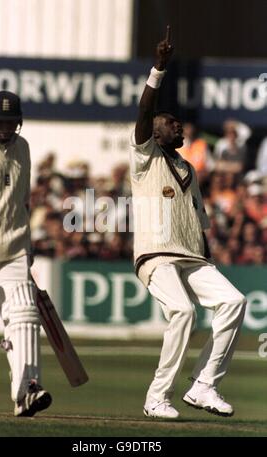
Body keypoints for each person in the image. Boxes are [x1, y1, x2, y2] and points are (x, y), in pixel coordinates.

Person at [129, 28, 246, 419]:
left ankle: (203, 385)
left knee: (233, 301)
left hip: (192, 255)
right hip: (156, 254)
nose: (177, 126)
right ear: (155, 133)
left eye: (179, 123)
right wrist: (158, 70)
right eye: (170, 123)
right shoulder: (145, 158)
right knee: (182, 312)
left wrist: (208, 259)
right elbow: (145, 112)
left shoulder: (189, 168)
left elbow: (199, 222)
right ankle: (155, 397)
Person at [0, 91, 52, 416]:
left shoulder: (24, 149)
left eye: (10, 121)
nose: (4, 127)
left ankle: (26, 391)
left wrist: (27, 247)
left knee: (24, 314)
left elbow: (21, 203)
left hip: (13, 250)